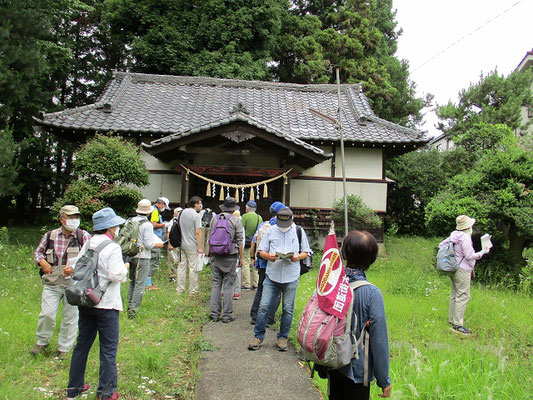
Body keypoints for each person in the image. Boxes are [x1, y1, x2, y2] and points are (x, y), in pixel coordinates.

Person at [66, 207, 127, 400]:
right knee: (108, 349)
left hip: (86, 302)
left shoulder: (89, 243)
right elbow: (116, 274)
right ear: (110, 228)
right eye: (115, 225)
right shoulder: (113, 247)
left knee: (82, 345)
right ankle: (106, 392)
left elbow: (77, 267)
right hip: (107, 304)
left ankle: (74, 389)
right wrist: (125, 268)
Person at [325, 230, 391, 400]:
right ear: (372, 259)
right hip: (358, 369)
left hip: (333, 362)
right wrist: (384, 379)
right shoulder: (371, 293)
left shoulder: (331, 285)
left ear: (345, 254)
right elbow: (379, 339)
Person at [31, 205, 91, 359]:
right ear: (62, 219)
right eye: (71, 217)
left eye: (76, 217)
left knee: (71, 317)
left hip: (74, 285)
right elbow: (38, 253)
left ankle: (64, 348)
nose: (74, 220)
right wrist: (43, 263)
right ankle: (41, 342)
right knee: (47, 314)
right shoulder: (50, 235)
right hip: (51, 283)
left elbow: (90, 259)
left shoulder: (83, 236)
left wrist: (74, 269)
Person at [248, 206, 310, 352]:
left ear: (291, 219)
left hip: (291, 276)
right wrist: (267, 256)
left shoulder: (298, 231)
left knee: (288, 309)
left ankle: (283, 337)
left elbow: (306, 252)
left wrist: (297, 257)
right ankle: (258, 336)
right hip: (272, 275)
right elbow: (261, 250)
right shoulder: (270, 230)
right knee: (263, 307)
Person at [439, 215, 490, 335]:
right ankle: (457, 325)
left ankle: (452, 320)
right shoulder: (465, 238)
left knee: (455, 293)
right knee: (463, 295)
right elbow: (469, 256)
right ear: (468, 227)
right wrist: (482, 252)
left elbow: (441, 245)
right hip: (462, 269)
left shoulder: (454, 235)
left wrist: (453, 255)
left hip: (452, 267)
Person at [126, 199, 163, 319]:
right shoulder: (147, 224)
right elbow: (148, 244)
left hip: (130, 254)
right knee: (140, 284)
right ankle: (133, 311)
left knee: (132, 282)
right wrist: (157, 244)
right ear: (148, 212)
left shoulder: (130, 221)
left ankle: (128, 306)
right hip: (143, 256)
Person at [209, 197, 244, 323]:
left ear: (223, 207)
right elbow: (240, 241)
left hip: (215, 255)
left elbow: (210, 236)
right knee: (229, 286)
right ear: (234, 209)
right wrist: (241, 258)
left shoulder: (214, 218)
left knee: (216, 284)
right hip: (230, 255)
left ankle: (214, 314)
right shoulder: (236, 220)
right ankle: (227, 315)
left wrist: (210, 252)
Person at [249, 201, 284, 325]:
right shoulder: (283, 226)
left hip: (263, 262)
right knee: (275, 291)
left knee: (261, 289)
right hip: (276, 263)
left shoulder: (263, 225)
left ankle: (254, 315)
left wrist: (253, 257)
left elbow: (253, 242)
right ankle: (269, 319)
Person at [177, 196, 204, 295]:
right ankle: (193, 290)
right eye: (200, 203)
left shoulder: (181, 213)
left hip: (181, 244)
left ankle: (180, 289)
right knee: (193, 268)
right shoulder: (196, 216)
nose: (200, 206)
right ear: (196, 204)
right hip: (192, 245)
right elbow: (198, 232)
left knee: (181, 267)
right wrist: (200, 247)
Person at [146, 197, 170, 290]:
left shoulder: (152, 210)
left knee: (152, 260)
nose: (164, 208)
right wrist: (164, 224)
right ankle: (148, 284)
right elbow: (154, 224)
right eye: (164, 205)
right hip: (154, 239)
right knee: (154, 261)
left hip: (152, 238)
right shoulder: (155, 211)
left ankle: (149, 282)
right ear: (161, 203)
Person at [240, 200, 263, 290]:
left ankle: (246, 284)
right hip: (256, 242)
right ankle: (256, 283)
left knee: (246, 262)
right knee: (255, 261)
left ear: (247, 208)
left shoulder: (245, 216)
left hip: (247, 242)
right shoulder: (259, 217)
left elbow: (241, 229)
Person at [232, 209, 245, 300]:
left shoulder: (226, 223)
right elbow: (240, 243)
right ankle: (236, 292)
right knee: (236, 273)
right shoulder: (239, 226)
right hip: (235, 252)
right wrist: (241, 257)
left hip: (225, 251)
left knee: (226, 273)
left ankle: (225, 292)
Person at [167, 206, 182, 282]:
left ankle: (177, 275)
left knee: (178, 260)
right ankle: (172, 276)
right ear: (175, 213)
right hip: (173, 243)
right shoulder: (172, 222)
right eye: (179, 212)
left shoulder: (181, 221)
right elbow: (168, 232)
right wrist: (169, 243)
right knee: (173, 260)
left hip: (179, 243)